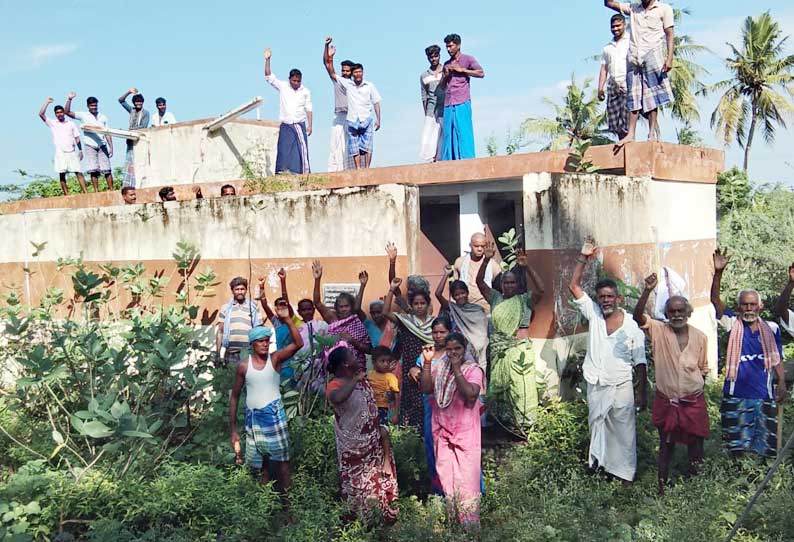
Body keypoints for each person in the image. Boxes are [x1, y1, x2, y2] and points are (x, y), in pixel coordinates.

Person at [568, 238, 647, 483]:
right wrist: (583, 256)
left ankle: (624, 476)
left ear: (618, 299)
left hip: (621, 386)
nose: (605, 300)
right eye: (601, 297)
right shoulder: (594, 315)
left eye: (609, 297)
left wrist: (643, 393)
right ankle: (600, 470)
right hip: (597, 383)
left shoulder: (631, 327)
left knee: (623, 433)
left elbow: (640, 363)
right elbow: (573, 285)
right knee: (598, 428)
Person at [633, 273, 709, 495]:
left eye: (680, 311)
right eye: (672, 312)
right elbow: (638, 317)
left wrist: (690, 387)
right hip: (667, 402)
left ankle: (697, 488)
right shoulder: (658, 330)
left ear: (688, 313)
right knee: (666, 446)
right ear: (666, 314)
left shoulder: (700, 337)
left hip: (693, 403)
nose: (677, 315)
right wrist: (647, 291)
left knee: (696, 446)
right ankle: (662, 488)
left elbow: (702, 368)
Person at [711, 249, 787, 458]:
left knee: (765, 451)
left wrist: (781, 383)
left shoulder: (771, 329)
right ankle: (738, 486)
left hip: (764, 397)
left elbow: (777, 358)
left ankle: (762, 485)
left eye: (753, 304)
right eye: (745, 304)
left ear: (760, 306)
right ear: (738, 306)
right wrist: (718, 273)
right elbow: (716, 302)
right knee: (737, 449)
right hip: (736, 396)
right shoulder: (732, 324)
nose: (749, 307)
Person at [229, 318, 303, 506]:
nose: (264, 344)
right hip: (254, 422)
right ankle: (264, 508)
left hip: (275, 419)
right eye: (260, 341)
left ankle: (288, 508)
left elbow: (298, 343)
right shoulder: (244, 366)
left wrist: (287, 319)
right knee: (261, 468)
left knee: (283, 466)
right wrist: (233, 431)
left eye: (266, 340)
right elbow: (235, 396)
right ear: (252, 344)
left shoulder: (275, 359)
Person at [326, 346, 398, 524]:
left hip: (374, 444)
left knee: (377, 484)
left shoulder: (363, 381)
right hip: (352, 449)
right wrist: (355, 380)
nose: (356, 357)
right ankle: (359, 526)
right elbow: (337, 398)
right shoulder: (335, 384)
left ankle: (380, 524)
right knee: (356, 489)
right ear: (345, 363)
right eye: (352, 355)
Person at [477, 245, 545, 432]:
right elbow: (480, 283)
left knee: (521, 388)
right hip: (499, 352)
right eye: (506, 283)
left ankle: (524, 426)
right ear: (501, 285)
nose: (509, 285)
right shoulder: (495, 298)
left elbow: (541, 289)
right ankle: (502, 427)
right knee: (500, 389)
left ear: (518, 284)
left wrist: (527, 267)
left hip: (519, 350)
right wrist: (486, 260)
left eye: (512, 282)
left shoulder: (525, 300)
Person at [419, 333, 484, 526]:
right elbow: (425, 388)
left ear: (465, 350)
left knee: (467, 482)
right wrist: (428, 363)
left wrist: (457, 369)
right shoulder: (440, 366)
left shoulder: (473, 370)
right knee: (447, 479)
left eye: (457, 349)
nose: (453, 353)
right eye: (449, 349)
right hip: (441, 430)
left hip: (465, 435)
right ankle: (454, 524)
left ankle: (470, 528)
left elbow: (471, 395)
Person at [604, 0, 675, 145]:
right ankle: (631, 134)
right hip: (634, 56)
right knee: (633, 96)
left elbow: (669, 34)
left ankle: (651, 133)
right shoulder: (633, 8)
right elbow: (609, 3)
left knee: (652, 96)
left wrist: (669, 57)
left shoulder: (664, 9)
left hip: (653, 53)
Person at [407, 316, 453, 495]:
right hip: (431, 406)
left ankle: (461, 492)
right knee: (432, 445)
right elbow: (417, 372)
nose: (439, 336)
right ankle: (439, 491)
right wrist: (415, 371)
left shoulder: (455, 351)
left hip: (451, 408)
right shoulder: (427, 353)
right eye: (435, 332)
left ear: (450, 332)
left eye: (443, 332)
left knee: (453, 446)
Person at [384, 277, 435, 429]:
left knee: (428, 398)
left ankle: (429, 431)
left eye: (422, 303)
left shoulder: (434, 323)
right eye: (416, 303)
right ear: (411, 305)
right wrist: (392, 289)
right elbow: (385, 312)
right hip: (410, 365)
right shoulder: (406, 320)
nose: (419, 306)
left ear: (427, 304)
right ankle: (411, 434)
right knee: (411, 400)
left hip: (429, 365)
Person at [324, 37, 382, 169]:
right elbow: (330, 70)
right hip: (349, 118)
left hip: (365, 118)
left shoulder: (369, 85)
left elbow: (376, 102)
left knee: (367, 146)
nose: (357, 74)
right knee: (351, 147)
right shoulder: (347, 84)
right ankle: (358, 169)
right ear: (352, 74)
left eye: (359, 71)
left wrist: (379, 119)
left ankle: (366, 168)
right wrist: (327, 50)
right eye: (355, 72)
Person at [312, 260, 372, 370]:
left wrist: (353, 341)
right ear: (337, 308)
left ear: (351, 306)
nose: (344, 309)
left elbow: (369, 349)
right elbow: (317, 303)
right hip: (335, 368)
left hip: (356, 368)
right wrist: (317, 279)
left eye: (346, 306)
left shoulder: (356, 320)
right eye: (341, 306)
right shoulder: (332, 319)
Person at [264, 48, 313, 174]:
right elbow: (269, 76)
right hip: (286, 123)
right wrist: (268, 60)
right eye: (294, 81)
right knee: (283, 150)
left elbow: (309, 109)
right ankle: (281, 172)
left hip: (298, 123)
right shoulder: (283, 86)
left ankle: (305, 173)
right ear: (289, 79)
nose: (296, 83)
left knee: (301, 149)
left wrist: (310, 125)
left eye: (298, 81)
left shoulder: (305, 91)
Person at [440, 34, 484, 161]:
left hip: (462, 100)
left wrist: (462, 70)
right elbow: (442, 86)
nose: (448, 49)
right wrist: (446, 76)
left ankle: (468, 160)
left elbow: (481, 73)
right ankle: (448, 162)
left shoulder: (468, 59)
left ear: (458, 45)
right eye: (447, 47)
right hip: (448, 103)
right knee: (448, 134)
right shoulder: (446, 64)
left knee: (464, 132)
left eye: (450, 46)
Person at [435, 267, 488, 369]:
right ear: (453, 297)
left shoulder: (477, 310)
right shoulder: (452, 309)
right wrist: (446, 274)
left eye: (462, 293)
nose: (460, 296)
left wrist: (477, 344)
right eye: (456, 295)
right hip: (457, 350)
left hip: (476, 351)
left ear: (467, 293)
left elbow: (482, 333)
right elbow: (438, 294)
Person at [64, 92, 113, 192]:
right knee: (93, 170)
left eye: (95, 105)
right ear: (88, 106)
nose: (94, 107)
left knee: (107, 169)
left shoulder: (103, 117)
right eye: (91, 105)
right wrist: (69, 99)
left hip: (102, 145)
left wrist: (111, 146)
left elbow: (107, 132)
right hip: (90, 145)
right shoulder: (83, 115)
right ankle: (96, 191)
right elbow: (67, 112)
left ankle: (111, 189)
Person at [38, 97, 87, 195]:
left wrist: (81, 151)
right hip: (60, 152)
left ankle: (85, 192)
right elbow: (41, 114)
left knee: (78, 172)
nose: (59, 114)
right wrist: (47, 102)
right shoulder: (53, 123)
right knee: (62, 173)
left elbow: (77, 138)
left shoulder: (71, 124)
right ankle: (66, 194)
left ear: (64, 112)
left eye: (61, 112)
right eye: (57, 112)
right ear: (55, 114)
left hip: (71, 151)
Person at [323, 35, 354, 171]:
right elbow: (327, 64)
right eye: (343, 71)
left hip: (352, 116)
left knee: (351, 145)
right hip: (340, 116)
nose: (345, 73)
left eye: (348, 71)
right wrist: (327, 49)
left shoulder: (354, 84)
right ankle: (335, 171)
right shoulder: (338, 80)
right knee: (336, 145)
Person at [598, 14, 630, 140]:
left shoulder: (630, 41)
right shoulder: (608, 48)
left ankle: (629, 143)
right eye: (613, 26)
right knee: (614, 121)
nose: (615, 29)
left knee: (627, 120)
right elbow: (604, 68)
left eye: (618, 26)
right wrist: (600, 88)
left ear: (624, 25)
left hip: (627, 83)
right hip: (613, 85)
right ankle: (622, 142)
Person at [216, 277, 263, 365]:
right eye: (237, 289)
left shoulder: (253, 308)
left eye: (242, 289)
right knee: (230, 377)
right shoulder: (225, 308)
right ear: (232, 291)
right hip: (231, 353)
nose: (240, 292)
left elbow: (258, 331)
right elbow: (220, 331)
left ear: (246, 290)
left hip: (249, 353)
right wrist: (218, 353)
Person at [453, 233, 502, 314]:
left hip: (486, 310)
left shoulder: (493, 265)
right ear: (470, 245)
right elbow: (455, 287)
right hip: (465, 310)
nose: (479, 249)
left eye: (482, 246)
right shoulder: (460, 262)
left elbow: (499, 290)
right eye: (476, 246)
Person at [118, 88, 150, 188]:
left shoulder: (145, 113)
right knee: (129, 162)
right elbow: (121, 100)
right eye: (136, 101)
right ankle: (129, 185)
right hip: (130, 140)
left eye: (140, 101)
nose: (138, 103)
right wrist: (129, 92)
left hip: (140, 140)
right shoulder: (132, 110)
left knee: (140, 162)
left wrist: (131, 129)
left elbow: (144, 126)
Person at [420, 44, 445, 163]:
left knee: (443, 133)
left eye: (436, 56)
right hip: (431, 109)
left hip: (445, 107)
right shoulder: (424, 75)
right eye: (431, 57)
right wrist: (426, 111)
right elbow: (424, 95)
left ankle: (441, 157)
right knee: (429, 134)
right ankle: (431, 159)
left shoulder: (446, 70)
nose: (434, 59)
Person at [368, 346, 400, 426]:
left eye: (388, 361)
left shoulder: (390, 377)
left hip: (384, 409)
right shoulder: (370, 375)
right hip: (369, 408)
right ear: (374, 362)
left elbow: (397, 396)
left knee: (383, 431)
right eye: (382, 361)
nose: (386, 364)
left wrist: (395, 414)